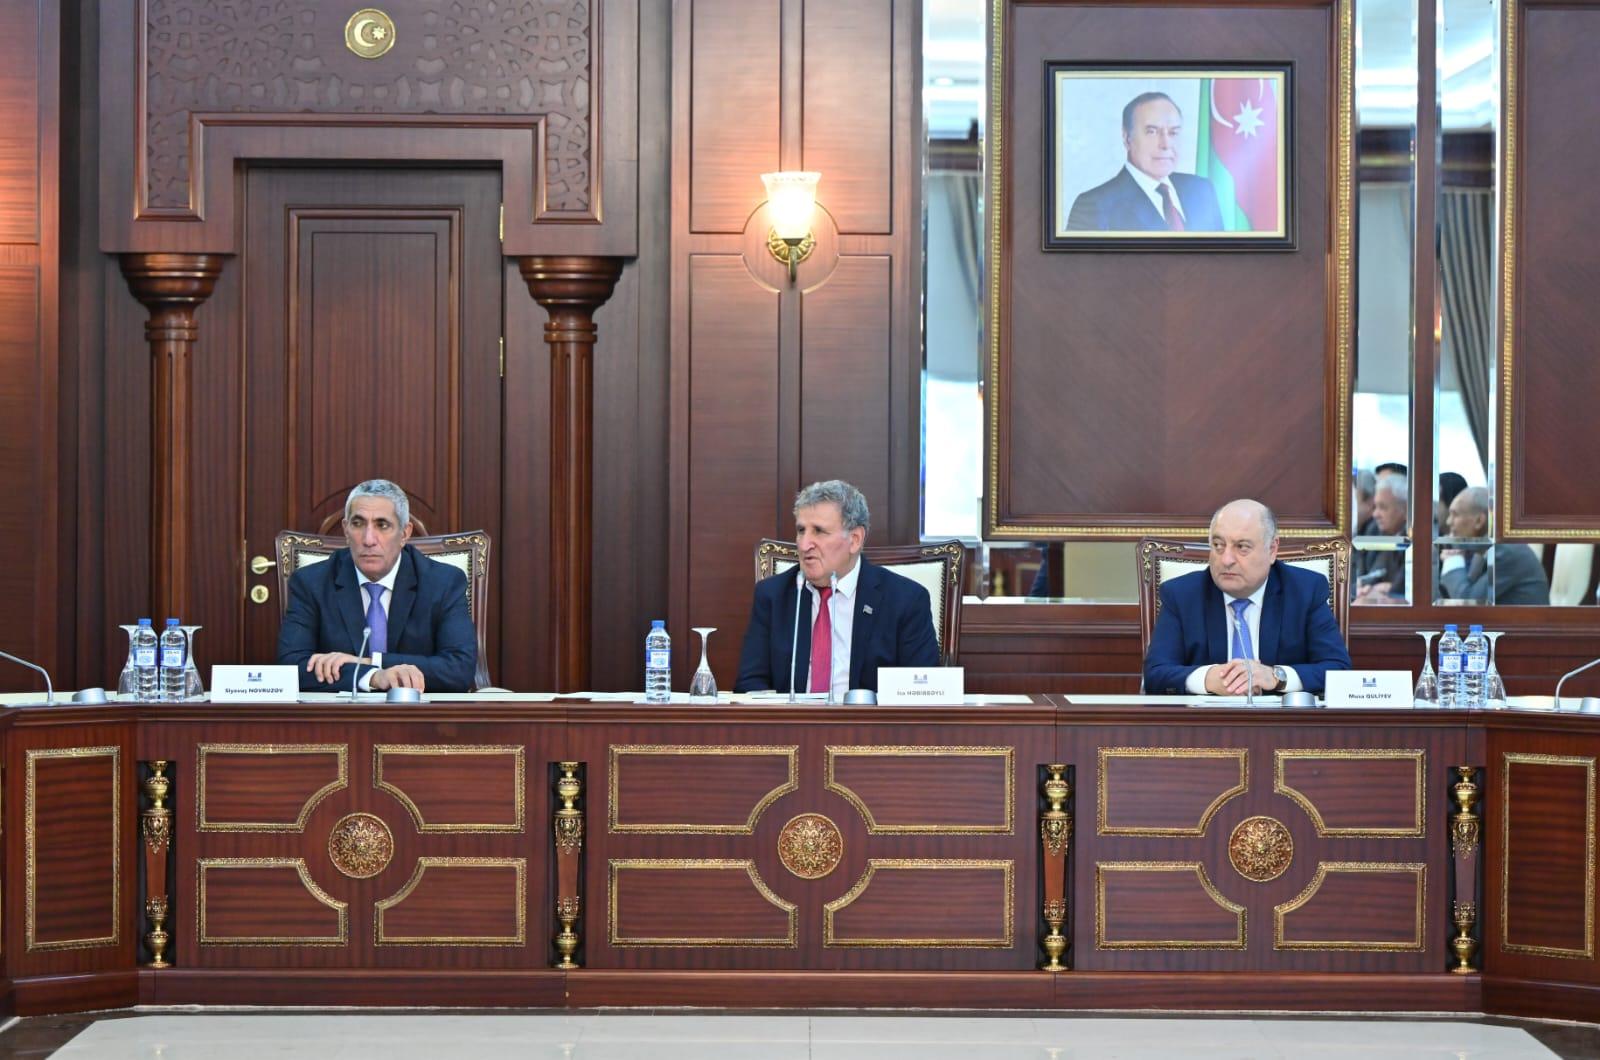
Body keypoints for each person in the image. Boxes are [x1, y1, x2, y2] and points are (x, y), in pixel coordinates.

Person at [736, 480, 940, 696]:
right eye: (801, 530)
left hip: (867, 718)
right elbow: (750, 684)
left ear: (855, 539)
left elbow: (921, 693)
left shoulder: (905, 600)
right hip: (792, 717)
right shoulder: (773, 595)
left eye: (819, 531)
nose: (804, 545)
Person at [277, 479, 477, 693]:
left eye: (382, 525)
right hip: (341, 711)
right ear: (346, 530)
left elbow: (459, 669)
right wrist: (372, 676)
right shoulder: (311, 582)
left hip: (417, 711)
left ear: (405, 533)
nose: (368, 539)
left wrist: (371, 661)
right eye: (358, 524)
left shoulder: (443, 582)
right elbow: (290, 667)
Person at [1143, 499, 1352, 695]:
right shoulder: (1181, 595)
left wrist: (1276, 676)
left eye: (1242, 547)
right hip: (1205, 721)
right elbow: (1155, 674)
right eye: (1218, 545)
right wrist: (1207, 679)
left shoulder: (1305, 591)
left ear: (1272, 550)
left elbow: (1338, 670)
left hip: (1282, 721)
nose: (1226, 560)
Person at [1066, 92, 1224, 233]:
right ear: (1127, 138)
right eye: (1152, 132)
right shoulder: (1093, 206)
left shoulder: (1202, 190)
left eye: (1173, 132)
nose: (1166, 144)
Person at [1438, 486, 1550, 605]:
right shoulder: (1485, 548)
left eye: (1455, 514)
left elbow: (1467, 602)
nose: (1448, 521)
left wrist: (1452, 560)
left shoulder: (1505, 551)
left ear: (1479, 521)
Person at [1353, 474, 1408, 603]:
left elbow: (1400, 590)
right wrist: (1369, 587)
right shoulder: (1381, 534)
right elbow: (1371, 576)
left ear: (1406, 509)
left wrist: (1390, 589)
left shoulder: (1417, 541)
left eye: (1383, 507)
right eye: (1375, 507)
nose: (1375, 514)